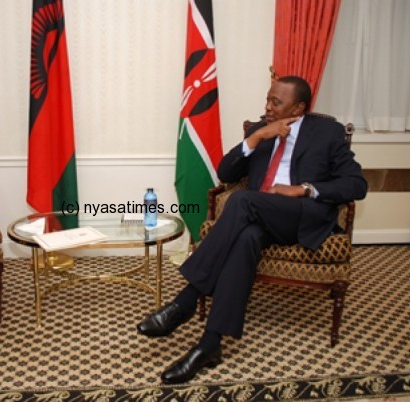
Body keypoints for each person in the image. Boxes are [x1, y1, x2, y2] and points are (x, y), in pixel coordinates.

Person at [137, 76, 368, 384]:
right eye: (267, 100)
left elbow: (356, 184)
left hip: (300, 215)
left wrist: (304, 188)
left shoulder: (327, 132)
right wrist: (256, 139)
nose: (268, 107)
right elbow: (225, 172)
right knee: (246, 237)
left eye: (276, 102)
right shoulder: (259, 128)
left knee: (243, 201)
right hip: (259, 218)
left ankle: (186, 300)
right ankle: (209, 345)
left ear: (298, 107)